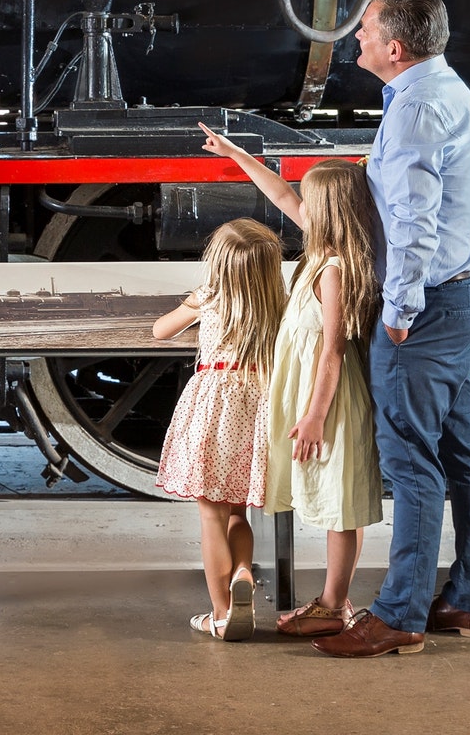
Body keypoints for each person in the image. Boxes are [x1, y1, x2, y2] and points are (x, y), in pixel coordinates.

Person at [313, 0, 470, 660]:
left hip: (428, 313)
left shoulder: (417, 109)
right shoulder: (440, 90)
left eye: (364, 29)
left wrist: (398, 314)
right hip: (465, 297)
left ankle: (399, 615)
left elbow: (414, 224)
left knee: (413, 466)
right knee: (466, 459)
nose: (355, 38)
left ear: (394, 47)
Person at [194, 137, 384, 636]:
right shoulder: (322, 246)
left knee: (339, 502)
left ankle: (333, 605)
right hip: (307, 397)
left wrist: (316, 415)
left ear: (326, 210)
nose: (297, 201)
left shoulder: (336, 268)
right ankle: (328, 603)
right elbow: (279, 196)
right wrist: (237, 156)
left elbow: (334, 349)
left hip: (327, 401)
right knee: (324, 495)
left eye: (308, 197)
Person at [151, 218, 286, 641]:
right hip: (258, 408)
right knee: (237, 511)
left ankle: (221, 614)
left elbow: (159, 331)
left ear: (219, 263)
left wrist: (192, 305)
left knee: (210, 513)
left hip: (214, 410)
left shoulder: (206, 298)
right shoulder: (277, 304)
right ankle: (243, 570)